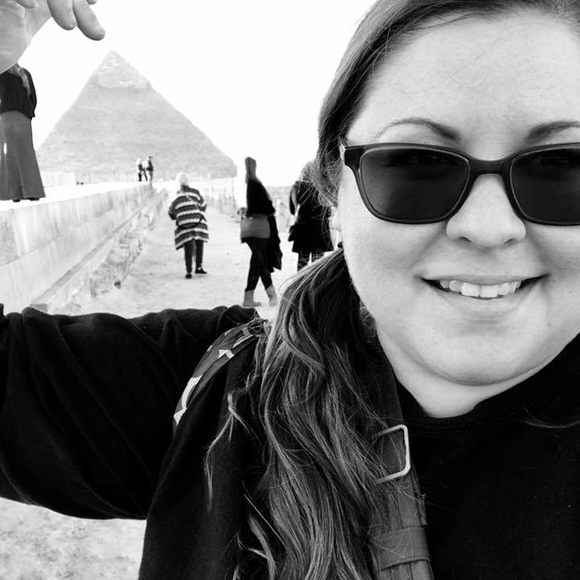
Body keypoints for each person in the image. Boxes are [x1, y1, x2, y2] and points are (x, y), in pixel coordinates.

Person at [4, 1, 580, 579]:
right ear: (333, 187)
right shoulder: (213, 395)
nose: (488, 227)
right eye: (415, 164)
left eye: (564, 166)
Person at [240, 156, 281, 307]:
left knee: (260, 262)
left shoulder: (247, 184)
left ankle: (269, 296)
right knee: (257, 263)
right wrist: (271, 207)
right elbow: (267, 208)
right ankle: (251, 298)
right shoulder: (255, 184)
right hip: (260, 228)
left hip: (247, 228)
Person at [0, 63, 45, 201]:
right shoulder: (25, 74)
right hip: (24, 117)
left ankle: (15, 194)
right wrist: (28, 112)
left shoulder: (2, 74)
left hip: (7, 116)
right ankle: (32, 192)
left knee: (11, 154)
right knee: (27, 153)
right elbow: (33, 98)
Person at [288, 161, 334, 270]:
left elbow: (292, 210)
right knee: (317, 266)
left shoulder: (297, 187)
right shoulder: (322, 188)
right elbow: (328, 212)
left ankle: (301, 280)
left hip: (303, 229)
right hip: (319, 229)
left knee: (302, 262)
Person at [168, 172, 209, 278]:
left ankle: (188, 271)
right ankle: (199, 267)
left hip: (184, 226)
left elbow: (171, 214)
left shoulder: (174, 196)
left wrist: (181, 215)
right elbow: (204, 206)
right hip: (198, 223)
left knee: (187, 243)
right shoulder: (195, 192)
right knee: (199, 240)